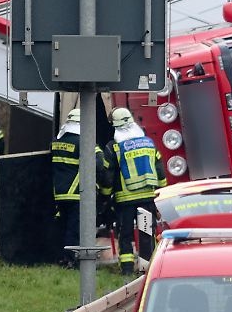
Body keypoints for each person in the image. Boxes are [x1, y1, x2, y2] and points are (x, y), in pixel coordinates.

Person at [105, 108, 167, 274]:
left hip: (125, 201)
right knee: (146, 233)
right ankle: (146, 270)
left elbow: (108, 175)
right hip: (147, 200)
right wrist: (161, 194)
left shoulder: (114, 147)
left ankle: (126, 270)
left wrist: (104, 196)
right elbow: (160, 170)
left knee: (125, 235)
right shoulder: (148, 143)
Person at [51, 108, 112, 266]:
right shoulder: (84, 142)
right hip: (79, 193)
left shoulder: (57, 142)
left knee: (63, 227)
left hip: (60, 194)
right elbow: (99, 164)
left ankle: (62, 258)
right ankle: (73, 261)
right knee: (76, 229)